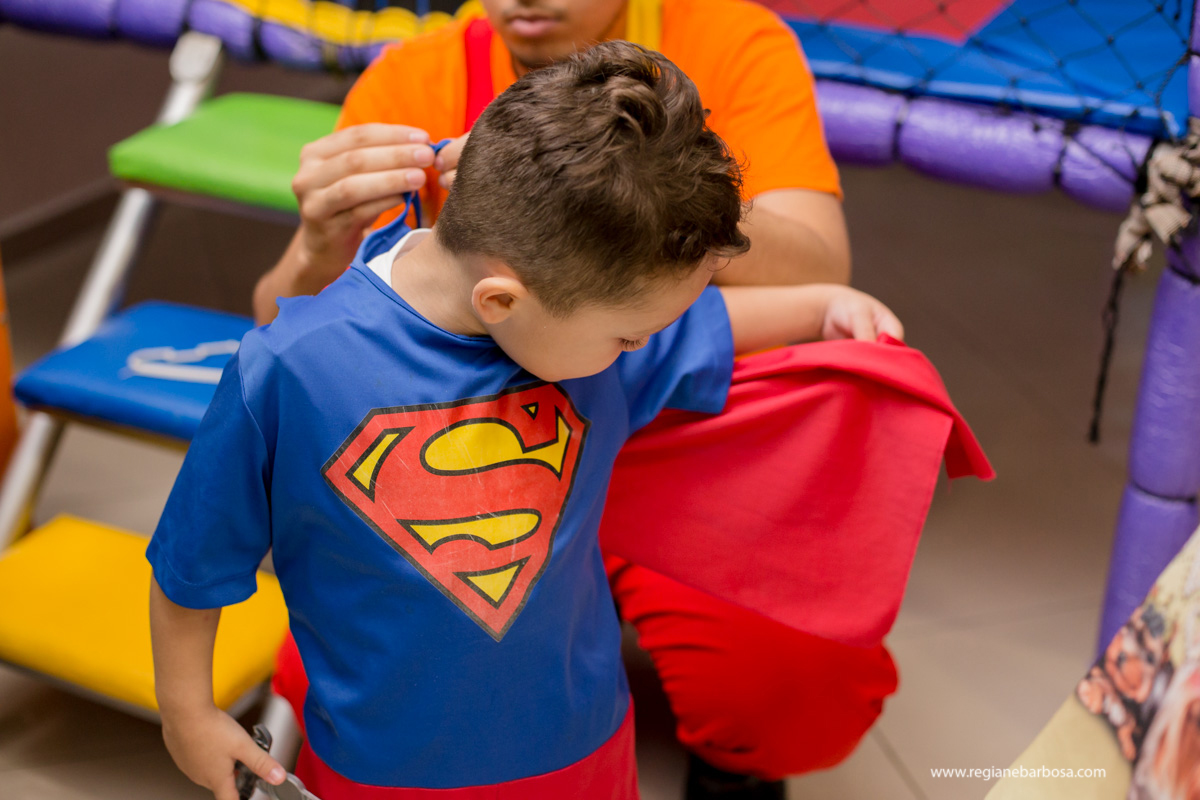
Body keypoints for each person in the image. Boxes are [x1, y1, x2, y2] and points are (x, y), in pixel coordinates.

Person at [150, 43, 900, 800]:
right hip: (380, 772)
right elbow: (193, 561)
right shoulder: (290, 368)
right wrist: (186, 716)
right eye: (629, 334)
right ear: (501, 303)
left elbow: (697, 324)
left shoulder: (581, 331)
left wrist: (818, 308)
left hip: (586, 751)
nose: (640, 347)